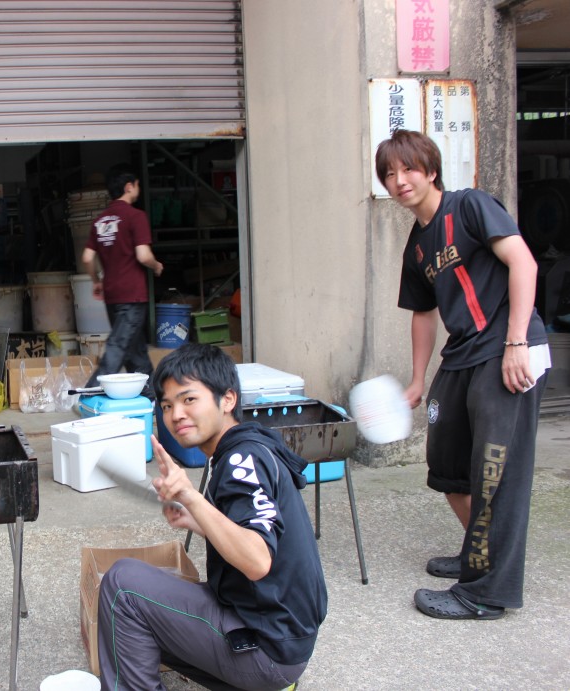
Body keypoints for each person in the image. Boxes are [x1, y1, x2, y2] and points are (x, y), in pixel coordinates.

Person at [375, 129, 551, 620]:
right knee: (448, 463)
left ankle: (485, 593)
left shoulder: (470, 206)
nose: (399, 180)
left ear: (431, 170)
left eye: (408, 168)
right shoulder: (417, 245)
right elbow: (422, 312)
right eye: (389, 174)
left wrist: (516, 342)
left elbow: (523, 262)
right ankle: (480, 551)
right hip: (462, 354)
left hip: (506, 347)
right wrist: (417, 379)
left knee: (496, 472)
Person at [97, 343, 327, 690]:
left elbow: (257, 560)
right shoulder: (250, 447)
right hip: (284, 637)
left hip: (267, 649)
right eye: (167, 405)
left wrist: (190, 495)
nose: (176, 414)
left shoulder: (240, 461)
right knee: (140, 624)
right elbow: (254, 532)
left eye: (189, 399)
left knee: (122, 587)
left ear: (228, 399)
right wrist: (196, 519)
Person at [82, 164, 164, 387]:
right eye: (137, 185)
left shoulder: (100, 221)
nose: (138, 189)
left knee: (135, 351)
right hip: (132, 295)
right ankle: (89, 394)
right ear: (129, 187)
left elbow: (87, 258)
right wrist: (156, 266)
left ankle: (151, 393)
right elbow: (143, 255)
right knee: (118, 348)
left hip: (112, 295)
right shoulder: (135, 216)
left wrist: (96, 281)